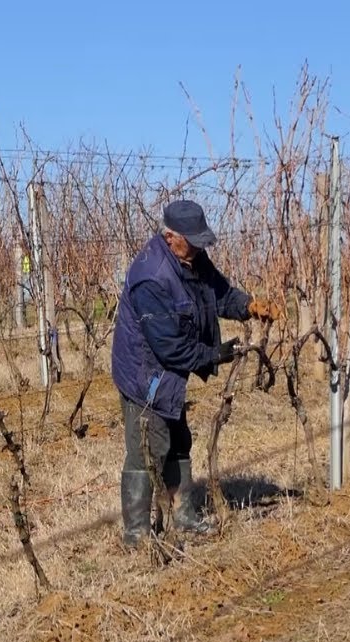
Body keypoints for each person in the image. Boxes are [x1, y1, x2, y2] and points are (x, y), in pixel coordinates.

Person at [110, 199, 282, 546]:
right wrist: (213, 355)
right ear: (170, 236)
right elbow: (169, 347)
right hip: (145, 373)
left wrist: (249, 306)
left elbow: (218, 293)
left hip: (170, 371)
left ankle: (184, 516)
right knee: (147, 449)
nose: (200, 246)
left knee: (179, 441)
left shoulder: (192, 259)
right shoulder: (151, 277)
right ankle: (137, 534)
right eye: (193, 240)